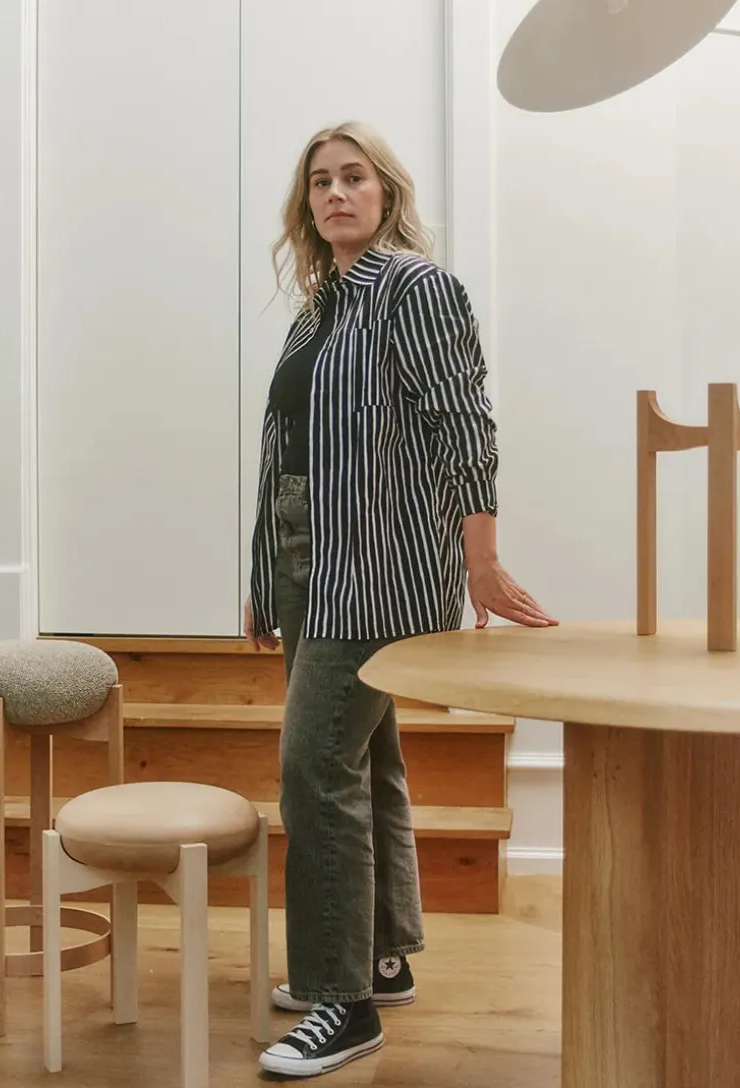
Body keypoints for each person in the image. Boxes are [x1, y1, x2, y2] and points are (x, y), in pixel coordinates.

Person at [243, 121, 556, 1079]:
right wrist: (264, 578)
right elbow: (286, 457)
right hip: (307, 562)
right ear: (307, 206)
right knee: (365, 759)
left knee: (314, 769)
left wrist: (480, 559)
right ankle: (380, 959)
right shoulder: (316, 313)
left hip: (376, 568)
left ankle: (341, 1004)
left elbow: (465, 422)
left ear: (386, 193)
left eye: (355, 177)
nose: (337, 193)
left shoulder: (414, 288)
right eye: (321, 182)